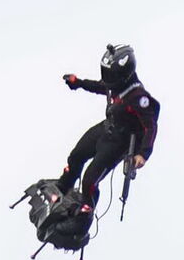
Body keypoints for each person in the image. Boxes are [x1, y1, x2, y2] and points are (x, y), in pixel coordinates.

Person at [58, 44, 160, 213]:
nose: (108, 80)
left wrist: (143, 154)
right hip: (108, 127)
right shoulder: (116, 84)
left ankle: (84, 213)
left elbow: (151, 126)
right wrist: (79, 83)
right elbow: (101, 87)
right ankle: (64, 185)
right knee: (76, 156)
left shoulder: (138, 97)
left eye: (111, 75)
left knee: (89, 181)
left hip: (119, 142)